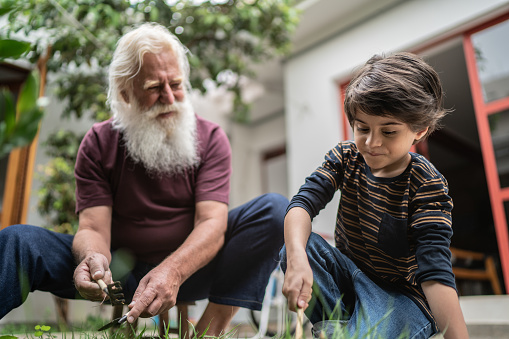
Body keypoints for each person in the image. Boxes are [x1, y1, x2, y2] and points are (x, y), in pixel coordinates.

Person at [0, 22, 288, 336]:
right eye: (153, 87)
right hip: (121, 272)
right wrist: (93, 260)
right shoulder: (98, 142)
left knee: (275, 210)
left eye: (176, 84)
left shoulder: (211, 137)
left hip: (193, 269)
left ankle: (209, 330)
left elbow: (212, 223)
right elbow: (93, 227)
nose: (169, 97)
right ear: (125, 94)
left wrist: (173, 271)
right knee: (19, 241)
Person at [280, 52, 468, 339]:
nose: (372, 143)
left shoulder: (426, 184)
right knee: (299, 248)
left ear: (420, 131)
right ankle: (335, 330)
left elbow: (435, 272)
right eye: (362, 128)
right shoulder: (345, 157)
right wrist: (296, 260)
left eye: (389, 132)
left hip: (402, 297)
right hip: (350, 277)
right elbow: (302, 204)